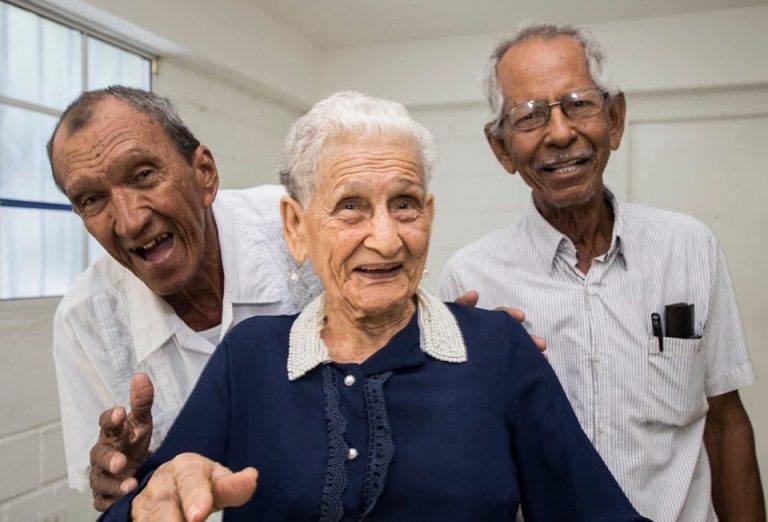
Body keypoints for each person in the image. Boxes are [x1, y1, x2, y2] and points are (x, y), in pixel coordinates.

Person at [99, 91, 650, 521]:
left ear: (429, 215)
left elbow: (592, 511)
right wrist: (148, 498)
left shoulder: (499, 348)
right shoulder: (251, 354)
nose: (386, 240)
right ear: (296, 227)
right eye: (351, 207)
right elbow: (155, 502)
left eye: (405, 205)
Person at [439, 23, 765, 522]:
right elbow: (465, 451)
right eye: (529, 117)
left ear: (614, 118)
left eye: (578, 103)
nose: (561, 133)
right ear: (502, 148)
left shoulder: (689, 247)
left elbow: (724, 424)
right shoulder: (471, 279)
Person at [48, 86, 321, 508]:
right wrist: (126, 479)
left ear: (205, 174)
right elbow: (110, 488)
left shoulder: (297, 226)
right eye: (92, 199)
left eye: (142, 175)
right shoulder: (84, 319)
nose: (129, 221)